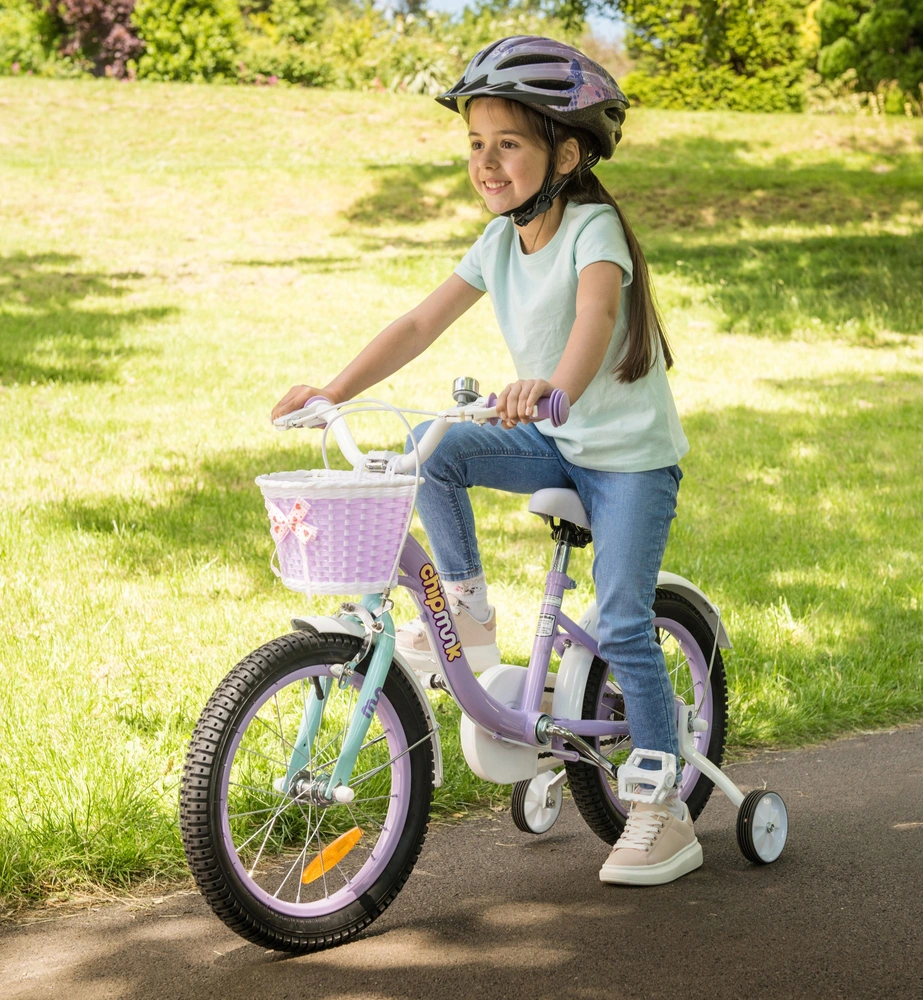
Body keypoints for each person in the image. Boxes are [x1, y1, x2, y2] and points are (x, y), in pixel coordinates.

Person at [271, 35, 698, 887]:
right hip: (558, 439)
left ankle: (662, 808)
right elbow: (419, 324)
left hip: (628, 463)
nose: (487, 162)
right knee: (436, 447)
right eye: (476, 143)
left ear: (566, 154)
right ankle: (466, 617)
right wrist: (335, 389)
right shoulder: (500, 241)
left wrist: (552, 388)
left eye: (508, 143)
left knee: (620, 620)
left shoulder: (594, 227)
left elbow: (592, 320)